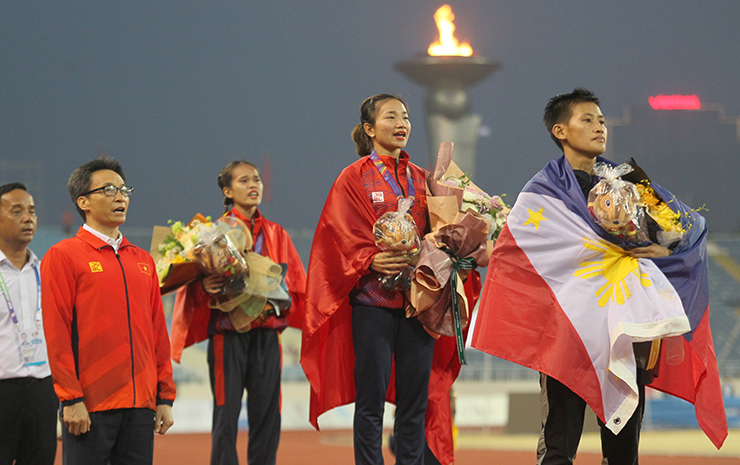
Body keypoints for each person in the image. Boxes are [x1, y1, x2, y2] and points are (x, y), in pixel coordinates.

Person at [472, 88, 725, 463]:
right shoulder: (542, 192)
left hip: (623, 329)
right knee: (559, 446)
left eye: (602, 120)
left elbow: (683, 229)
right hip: (568, 334)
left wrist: (665, 248)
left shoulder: (631, 184)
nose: (599, 127)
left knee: (623, 452)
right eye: (587, 119)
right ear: (560, 131)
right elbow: (518, 256)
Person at [300, 93, 437, 465]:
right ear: (370, 129)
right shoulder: (353, 177)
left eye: (405, 116)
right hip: (373, 305)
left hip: (418, 306)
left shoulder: (423, 179)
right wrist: (371, 259)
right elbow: (335, 236)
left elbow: (441, 233)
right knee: (371, 402)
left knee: (414, 404)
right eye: (391, 116)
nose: (401, 123)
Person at [169, 160, 307, 465]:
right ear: (228, 191)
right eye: (244, 181)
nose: (254, 185)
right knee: (226, 416)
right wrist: (204, 285)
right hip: (227, 337)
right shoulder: (209, 234)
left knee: (268, 417)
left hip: (267, 336)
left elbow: (297, 283)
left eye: (256, 179)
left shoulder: (276, 233)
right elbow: (190, 290)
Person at [41, 158, 176, 465]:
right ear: (83, 202)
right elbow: (57, 333)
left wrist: (165, 396)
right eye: (109, 190)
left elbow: (158, 332)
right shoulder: (63, 256)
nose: (120, 197)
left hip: (140, 406)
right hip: (90, 405)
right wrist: (70, 398)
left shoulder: (142, 260)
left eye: (124, 190)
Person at [0, 183, 58, 465]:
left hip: (42, 392)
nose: (28, 218)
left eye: (32, 212)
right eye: (17, 211)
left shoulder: (46, 271)